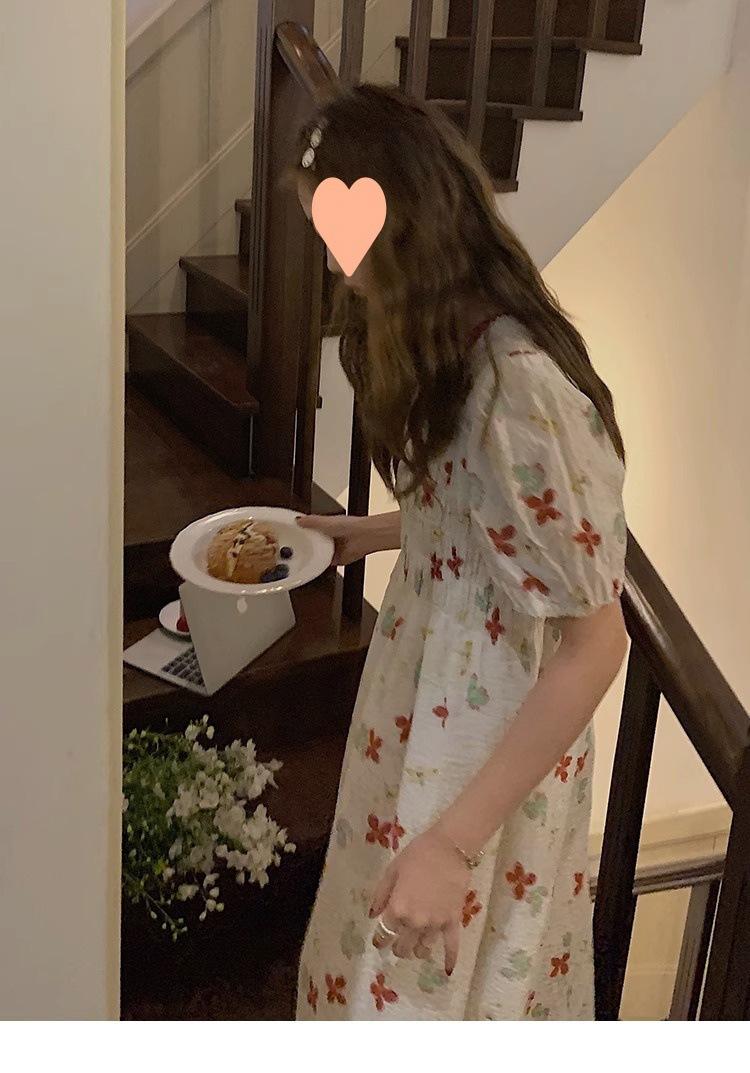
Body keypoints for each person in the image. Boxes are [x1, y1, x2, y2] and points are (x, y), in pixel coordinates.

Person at [293, 84, 628, 1021]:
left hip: (487, 734)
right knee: (376, 941)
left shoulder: (520, 385)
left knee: (430, 981)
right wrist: (377, 531)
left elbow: (597, 640)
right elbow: (490, 525)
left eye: (344, 231)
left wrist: (455, 841)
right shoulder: (448, 343)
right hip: (425, 692)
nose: (336, 260)